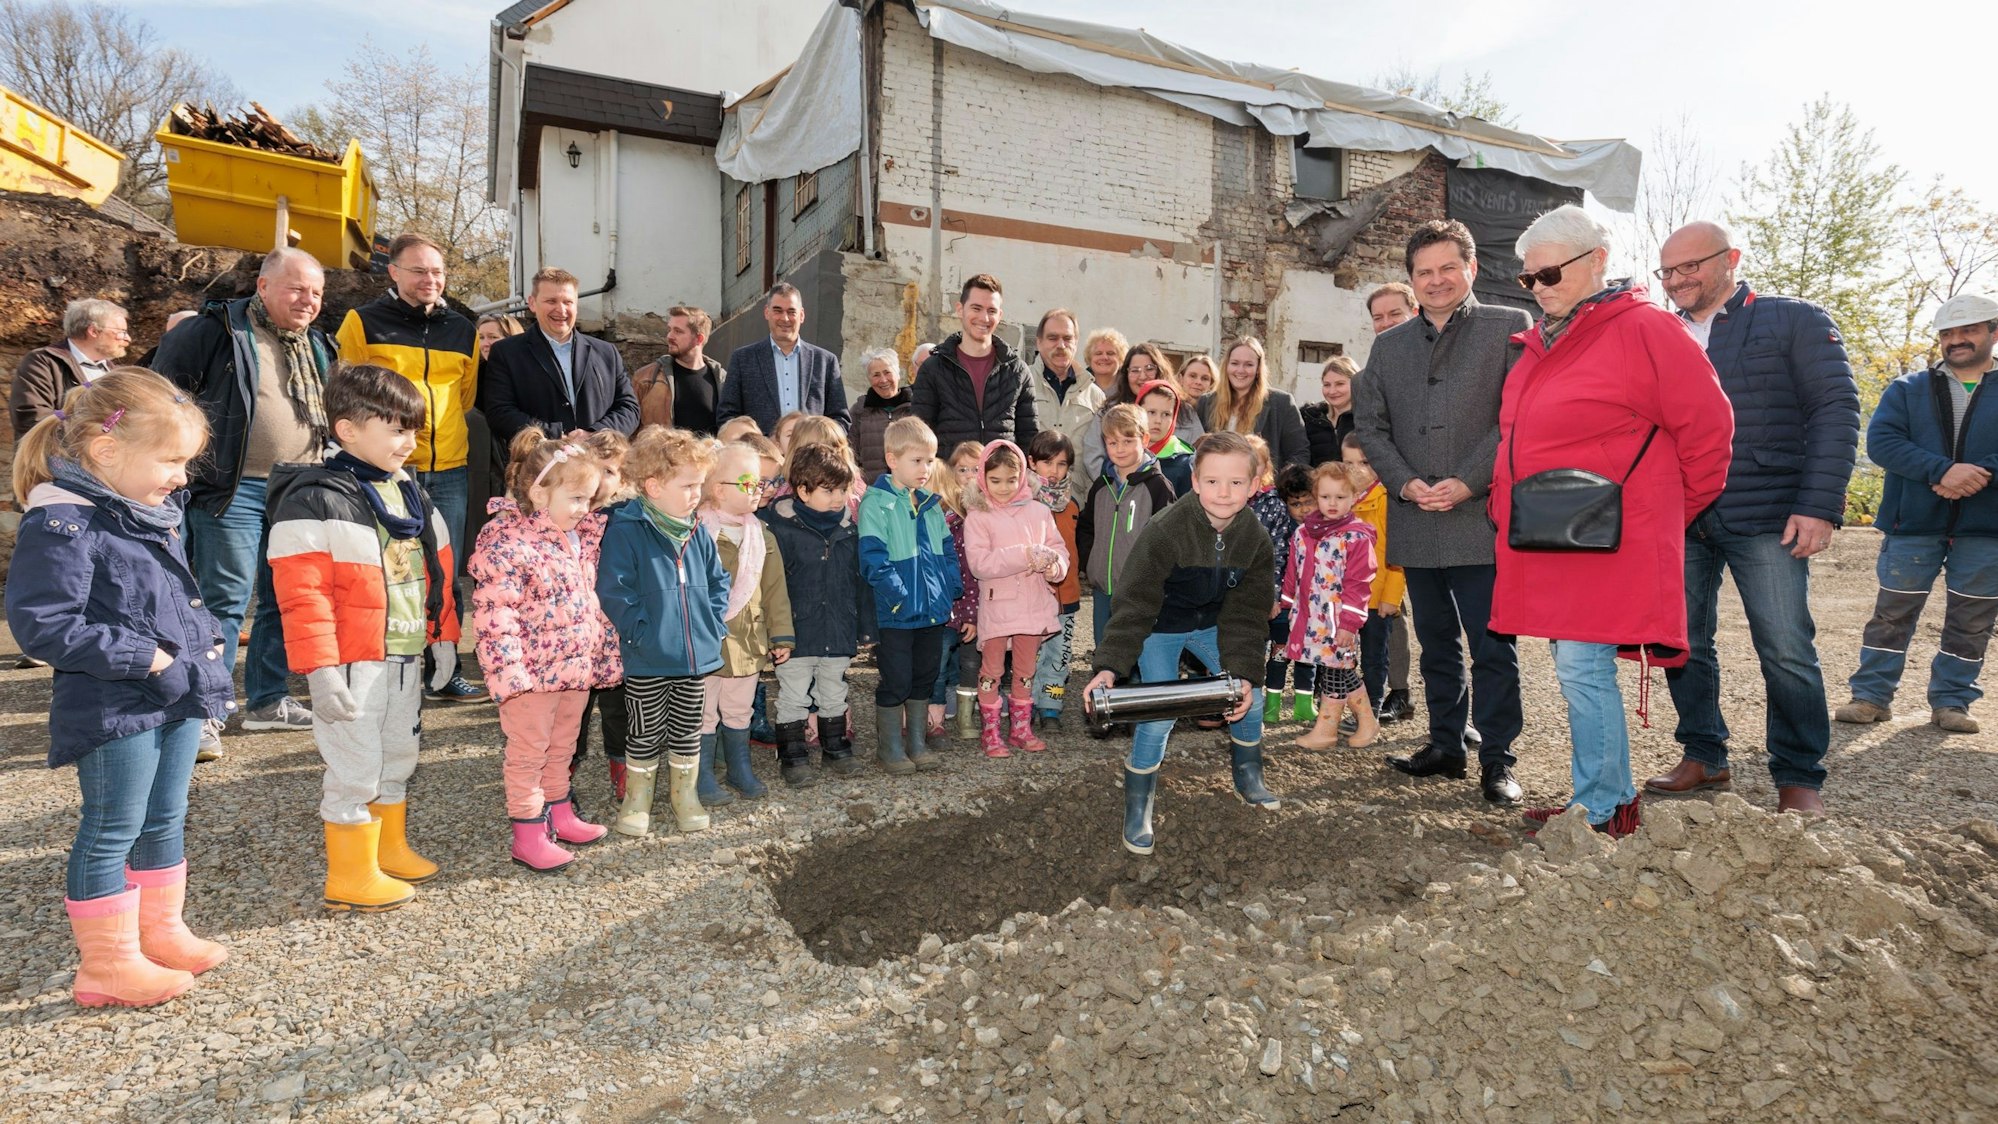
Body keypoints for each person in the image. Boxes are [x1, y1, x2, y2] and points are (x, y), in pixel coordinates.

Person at [1489, 206, 1734, 838]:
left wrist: (1665, 514)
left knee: (1579, 666)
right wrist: (1501, 501)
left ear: (1597, 260)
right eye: (1528, 280)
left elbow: (1708, 428)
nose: (1538, 287)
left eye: (1549, 273)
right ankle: (1607, 799)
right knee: (1578, 665)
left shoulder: (1646, 329)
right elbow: (1515, 435)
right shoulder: (1545, 339)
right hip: (1552, 530)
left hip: (1606, 532)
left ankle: (1602, 808)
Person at [7, 369, 231, 1007]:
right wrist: (148, 658)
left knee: (165, 818)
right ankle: (106, 965)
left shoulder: (149, 509)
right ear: (107, 452)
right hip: (115, 703)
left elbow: (176, 593)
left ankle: (158, 932)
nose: (182, 477)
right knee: (112, 826)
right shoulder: (65, 523)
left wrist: (204, 638)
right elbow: (43, 624)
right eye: (171, 460)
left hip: (176, 691)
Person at [1643, 221, 1860, 815]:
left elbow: (1836, 410)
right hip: (1680, 515)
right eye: (1668, 271)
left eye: (1692, 266)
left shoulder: (1794, 319)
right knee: (1682, 642)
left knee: (1785, 646)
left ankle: (1798, 775)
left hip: (1767, 511)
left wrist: (1818, 505)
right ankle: (1704, 754)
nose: (1678, 280)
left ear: (1731, 259)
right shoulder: (1658, 332)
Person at [266, 364, 463, 911]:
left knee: (398, 753)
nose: (409, 441)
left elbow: (439, 568)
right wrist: (321, 671)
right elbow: (301, 595)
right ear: (348, 430)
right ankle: (350, 875)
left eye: (412, 429)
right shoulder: (312, 497)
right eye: (396, 429)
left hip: (402, 653)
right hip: (354, 660)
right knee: (355, 765)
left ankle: (389, 847)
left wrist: (442, 637)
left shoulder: (409, 493)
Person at [1352, 219, 1531, 804]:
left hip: (1479, 517)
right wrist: (1404, 484)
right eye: (1423, 272)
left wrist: (1467, 481)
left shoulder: (1510, 328)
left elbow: (1516, 420)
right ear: (1411, 279)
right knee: (1435, 642)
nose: (1436, 281)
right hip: (1415, 517)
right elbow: (1371, 429)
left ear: (1471, 268)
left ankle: (1498, 759)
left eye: (1446, 268)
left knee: (1491, 646)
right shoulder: (1388, 346)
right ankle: (1447, 745)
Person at [153, 248, 336, 755]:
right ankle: (205, 710)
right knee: (224, 600)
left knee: (283, 599)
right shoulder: (214, 331)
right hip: (234, 488)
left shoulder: (318, 344)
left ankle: (267, 701)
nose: (308, 300)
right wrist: (178, 468)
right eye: (297, 288)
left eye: (317, 292)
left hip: (299, 487)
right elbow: (164, 398)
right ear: (262, 286)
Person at [1085, 432, 1280, 855]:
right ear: (1195, 481)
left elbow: (1247, 614)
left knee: (1251, 696)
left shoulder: (1255, 539)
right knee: (1159, 714)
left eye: (1235, 483)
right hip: (1160, 625)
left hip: (1214, 622)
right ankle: (1139, 803)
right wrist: (1109, 666)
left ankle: (1249, 774)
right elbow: (1134, 603)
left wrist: (1244, 673)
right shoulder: (1165, 530)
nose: (1223, 493)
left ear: (1254, 484)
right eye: (1212, 481)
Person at [336, 232, 486, 705]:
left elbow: (466, 398)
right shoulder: (362, 322)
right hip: (385, 472)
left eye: (437, 272)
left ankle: (443, 671)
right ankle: (378, 666)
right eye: (419, 270)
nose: (430, 280)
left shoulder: (464, 328)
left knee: (444, 573)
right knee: (386, 571)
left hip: (450, 470)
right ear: (394, 272)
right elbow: (345, 390)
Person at [1840, 292, 1998, 737]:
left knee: (1972, 619)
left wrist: (1980, 474)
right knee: (1892, 613)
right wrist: (1943, 470)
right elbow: (1883, 443)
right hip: (1913, 524)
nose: (1957, 340)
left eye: (1968, 330)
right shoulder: (1908, 389)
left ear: (1993, 332)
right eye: (1949, 332)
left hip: (1986, 528)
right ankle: (1871, 696)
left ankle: (1952, 702)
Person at [469, 432, 618, 873]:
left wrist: (602, 653)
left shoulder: (579, 536)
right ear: (539, 492)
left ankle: (560, 811)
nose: (583, 509)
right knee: (528, 752)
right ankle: (528, 833)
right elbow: (496, 611)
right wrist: (509, 673)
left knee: (563, 746)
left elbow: (590, 604)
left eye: (588, 499)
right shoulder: (508, 542)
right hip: (531, 675)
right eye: (575, 497)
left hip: (573, 668)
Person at [597, 427, 729, 837]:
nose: (696, 494)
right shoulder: (626, 530)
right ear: (653, 486)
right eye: (687, 485)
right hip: (649, 656)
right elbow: (614, 590)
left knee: (689, 726)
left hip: (693, 658)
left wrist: (713, 622)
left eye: (698, 484)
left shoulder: (698, 532)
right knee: (645, 728)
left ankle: (683, 796)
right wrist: (641, 633)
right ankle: (638, 800)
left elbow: (718, 581)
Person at [762, 443, 872, 784]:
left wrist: (866, 630)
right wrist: (775, 631)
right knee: (794, 694)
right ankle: (793, 755)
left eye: (842, 489)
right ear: (803, 490)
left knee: (834, 690)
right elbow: (770, 586)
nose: (838, 498)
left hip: (837, 628)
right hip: (796, 632)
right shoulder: (778, 528)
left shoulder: (849, 528)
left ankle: (836, 747)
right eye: (829, 490)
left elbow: (860, 582)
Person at [858, 416, 962, 775]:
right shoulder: (877, 503)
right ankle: (889, 748)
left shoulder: (931, 505)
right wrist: (899, 596)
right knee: (897, 678)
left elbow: (948, 554)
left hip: (932, 610)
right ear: (892, 459)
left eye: (930, 461)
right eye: (917, 460)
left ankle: (916, 744)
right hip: (897, 613)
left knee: (925, 676)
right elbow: (873, 559)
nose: (926, 468)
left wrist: (950, 589)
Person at [698, 442, 794, 803]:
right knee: (704, 709)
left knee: (739, 706)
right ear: (717, 488)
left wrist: (781, 635)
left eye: (760, 483)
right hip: (708, 639)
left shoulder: (762, 536)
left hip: (749, 638)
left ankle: (739, 768)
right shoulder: (698, 533)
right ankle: (703, 774)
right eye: (748, 483)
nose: (758, 490)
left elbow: (774, 590)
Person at [964, 439, 1068, 756]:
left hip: (1033, 605)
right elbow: (980, 565)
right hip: (998, 606)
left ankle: (1021, 729)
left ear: (1023, 476)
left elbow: (1059, 550)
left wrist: (1054, 567)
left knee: (1025, 669)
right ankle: (991, 732)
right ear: (983, 478)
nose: (1005, 487)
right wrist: (1024, 555)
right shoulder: (978, 516)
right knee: (992, 670)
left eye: (1012, 479)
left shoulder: (1038, 511)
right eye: (995, 480)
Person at [481, 267, 641, 446]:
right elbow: (499, 413)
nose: (561, 309)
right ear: (532, 303)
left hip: (598, 463)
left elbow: (629, 408)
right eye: (551, 301)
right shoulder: (507, 353)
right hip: (540, 465)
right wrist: (556, 435)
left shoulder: (606, 352)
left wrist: (594, 434)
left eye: (568, 302)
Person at [1284, 459, 1381, 750]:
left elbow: (1359, 583)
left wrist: (1349, 623)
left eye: (1341, 497)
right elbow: (1293, 571)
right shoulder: (1303, 533)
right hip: (1311, 617)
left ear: (1354, 497)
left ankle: (1327, 728)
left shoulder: (1355, 537)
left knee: (1335, 670)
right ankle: (1367, 721)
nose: (1332, 503)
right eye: (1325, 497)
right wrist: (1286, 602)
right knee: (1339, 668)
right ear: (1316, 496)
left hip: (1336, 620)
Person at [570, 429, 635, 804]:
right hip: (573, 635)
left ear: (624, 479)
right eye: (594, 469)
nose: (600, 480)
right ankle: (563, 772)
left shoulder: (625, 519)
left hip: (613, 632)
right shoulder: (567, 514)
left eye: (610, 471)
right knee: (573, 711)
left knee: (617, 705)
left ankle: (621, 765)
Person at [1078, 404, 1177, 649]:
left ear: (1144, 439)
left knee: (1135, 652)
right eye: (1112, 443)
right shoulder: (1101, 487)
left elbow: (1169, 538)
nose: (1119, 449)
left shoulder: (1158, 486)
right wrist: (1091, 564)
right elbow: (1087, 528)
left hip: (1140, 590)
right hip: (1103, 588)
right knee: (1105, 648)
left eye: (1127, 440)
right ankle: (1106, 688)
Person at [911, 274, 1038, 450]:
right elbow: (920, 436)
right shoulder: (933, 369)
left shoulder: (1017, 371)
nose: (984, 318)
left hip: (1001, 475)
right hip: (950, 475)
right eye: (976, 308)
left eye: (991, 311)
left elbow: (1028, 438)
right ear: (960, 309)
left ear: (1000, 315)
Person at [717, 283, 850, 434]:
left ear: (802, 315)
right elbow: (727, 417)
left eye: (791, 312)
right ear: (767, 313)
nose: (785, 318)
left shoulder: (826, 361)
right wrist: (759, 445)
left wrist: (818, 443)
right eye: (777, 311)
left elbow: (840, 419)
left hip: (811, 454)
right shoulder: (743, 360)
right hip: (763, 455)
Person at [1342, 433, 1410, 721]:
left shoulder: (1388, 500)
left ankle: (1370, 708)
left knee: (1374, 658)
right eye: (1348, 462)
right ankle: (1349, 705)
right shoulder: (1341, 498)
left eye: (1365, 462)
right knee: (1345, 657)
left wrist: (1391, 598)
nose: (1356, 469)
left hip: (1376, 597)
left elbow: (1398, 556)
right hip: (1347, 598)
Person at [929, 441, 985, 741]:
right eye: (962, 469)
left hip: (972, 604)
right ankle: (935, 716)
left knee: (971, 660)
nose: (969, 475)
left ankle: (966, 714)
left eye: (976, 468)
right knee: (940, 660)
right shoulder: (949, 519)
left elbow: (971, 574)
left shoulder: (971, 518)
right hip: (945, 607)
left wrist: (972, 612)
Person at [11, 298, 130, 439]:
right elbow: (32, 419)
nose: (128, 339)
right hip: (53, 459)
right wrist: (96, 435)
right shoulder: (43, 362)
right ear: (94, 331)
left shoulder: (118, 374)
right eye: (121, 332)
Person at [1026, 430, 1082, 728]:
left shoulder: (1072, 505)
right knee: (1030, 656)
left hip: (1067, 596)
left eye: (1061, 464)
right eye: (1047, 463)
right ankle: (1027, 704)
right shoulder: (1023, 503)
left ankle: (1052, 705)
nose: (1054, 471)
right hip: (1033, 598)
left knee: (1059, 658)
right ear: (1032, 463)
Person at [1081, 343, 1196, 484]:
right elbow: (1093, 455)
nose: (1142, 376)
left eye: (1149, 369)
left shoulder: (1184, 410)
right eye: (1135, 370)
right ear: (1126, 374)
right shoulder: (1109, 410)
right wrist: (1115, 484)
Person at [1024, 309, 1105, 502]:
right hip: (1027, 502)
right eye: (1052, 338)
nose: (1061, 345)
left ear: (1076, 342)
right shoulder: (1020, 384)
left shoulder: (1095, 396)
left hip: (1077, 504)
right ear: (1039, 342)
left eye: (1067, 338)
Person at [1260, 463, 1318, 724]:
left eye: (1309, 502)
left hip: (1313, 607)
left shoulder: (1324, 529)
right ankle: (1271, 703)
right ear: (1285, 504)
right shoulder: (1283, 531)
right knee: (1279, 654)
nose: (1304, 510)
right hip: (1285, 606)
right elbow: (1275, 563)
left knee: (1308, 657)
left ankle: (1303, 703)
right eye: (1296, 504)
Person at [1197, 338, 1309, 470]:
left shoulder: (1281, 403)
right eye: (1235, 363)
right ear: (1226, 365)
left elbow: (1299, 453)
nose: (1240, 370)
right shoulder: (1206, 403)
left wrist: (1277, 486)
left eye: (1249, 364)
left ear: (1258, 369)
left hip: (1264, 487)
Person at [630, 306, 725, 434]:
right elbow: (630, 429)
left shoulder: (723, 380)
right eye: (669, 330)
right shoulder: (646, 378)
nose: (669, 336)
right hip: (661, 454)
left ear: (699, 339)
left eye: (678, 331)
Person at [852, 346, 913, 483]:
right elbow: (850, 453)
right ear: (869, 379)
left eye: (887, 372)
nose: (883, 380)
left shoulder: (915, 409)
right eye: (876, 375)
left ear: (898, 374)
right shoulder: (859, 411)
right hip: (872, 492)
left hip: (910, 490)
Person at [1138, 379, 1197, 495]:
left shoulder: (1185, 463)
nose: (1158, 421)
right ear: (1137, 411)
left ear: (1174, 417)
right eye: (1151, 412)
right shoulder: (1122, 452)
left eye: (1166, 414)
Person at [1299, 356, 1356, 467]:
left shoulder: (1368, 419)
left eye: (1340, 384)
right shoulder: (1309, 417)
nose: (1332, 391)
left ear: (1356, 383)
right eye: (1327, 385)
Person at [1083, 328, 1127, 397]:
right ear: (1090, 358)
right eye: (1098, 353)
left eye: (1110, 353)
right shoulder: (1079, 387)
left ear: (1121, 358)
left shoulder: (1130, 387)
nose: (1104, 357)